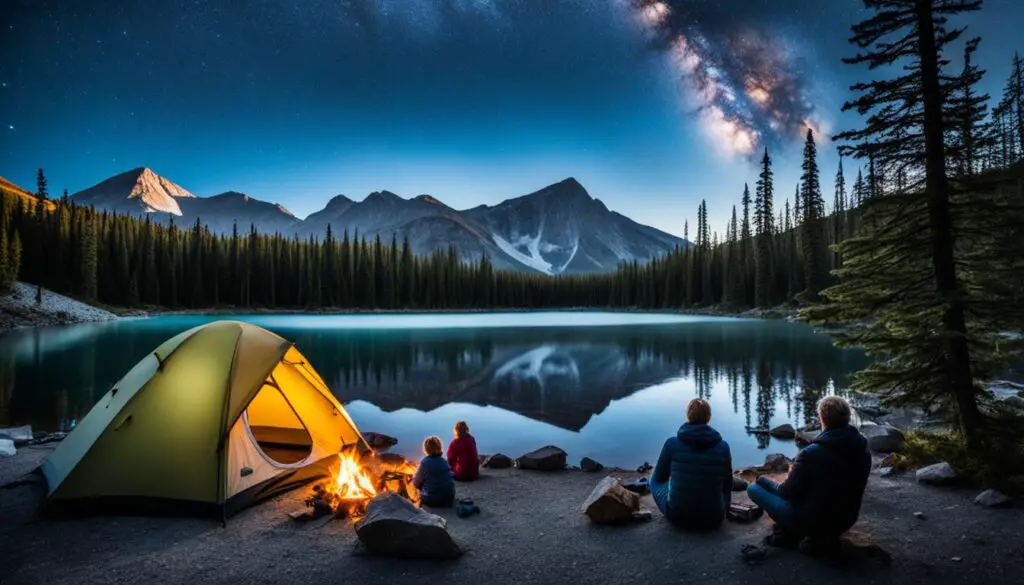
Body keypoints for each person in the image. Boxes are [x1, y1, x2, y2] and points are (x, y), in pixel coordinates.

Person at [746, 396, 871, 556]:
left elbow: (786, 492)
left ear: (822, 418)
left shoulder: (812, 453)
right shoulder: (862, 447)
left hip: (813, 521)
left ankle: (793, 531)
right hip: (845, 519)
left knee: (754, 489)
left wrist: (763, 480)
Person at [650, 398, 733, 530]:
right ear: (709, 417)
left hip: (678, 517)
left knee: (654, 479)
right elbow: (727, 485)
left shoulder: (672, 443)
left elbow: (660, 478)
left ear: (688, 415)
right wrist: (724, 510)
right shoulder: (723, 447)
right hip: (714, 519)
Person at [411, 435, 456, 507]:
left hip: (432, 500)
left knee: (416, 483)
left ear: (426, 449)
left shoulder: (424, 463)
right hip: (449, 497)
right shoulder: (444, 461)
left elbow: (415, 483)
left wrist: (414, 477)